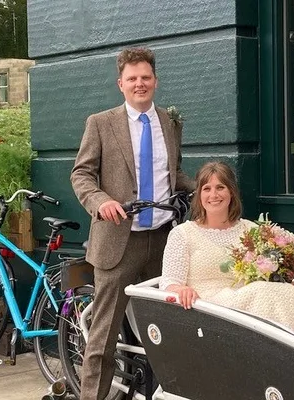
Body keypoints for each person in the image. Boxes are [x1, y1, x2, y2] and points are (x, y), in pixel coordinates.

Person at [70, 47, 195, 400]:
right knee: (103, 336)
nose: (140, 84)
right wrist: (101, 202)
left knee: (164, 332)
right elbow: (82, 174)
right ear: (120, 84)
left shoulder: (170, 122)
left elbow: (174, 174)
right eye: (132, 79)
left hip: (162, 240)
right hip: (118, 243)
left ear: (155, 81)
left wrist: (205, 188)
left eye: (146, 77)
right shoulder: (101, 122)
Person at [160, 161, 294, 334]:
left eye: (220, 187)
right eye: (207, 189)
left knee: (288, 291)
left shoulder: (250, 230)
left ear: (231, 192)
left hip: (250, 303)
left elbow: (267, 274)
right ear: (199, 195)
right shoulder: (183, 234)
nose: (213, 194)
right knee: (264, 292)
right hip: (209, 308)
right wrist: (181, 289)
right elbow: (169, 282)